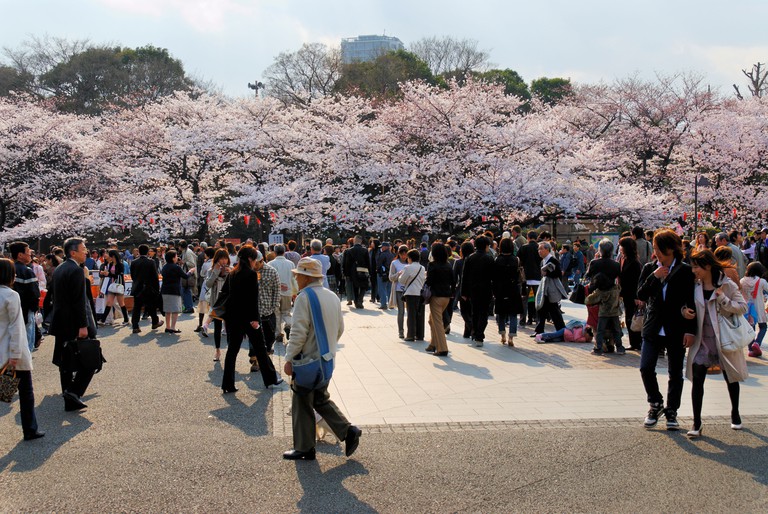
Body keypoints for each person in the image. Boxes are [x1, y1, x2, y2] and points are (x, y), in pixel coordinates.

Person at [282, 258, 361, 460]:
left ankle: (305, 447)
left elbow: (298, 332)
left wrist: (289, 358)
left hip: (307, 359)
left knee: (301, 400)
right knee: (319, 398)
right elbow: (340, 328)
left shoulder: (304, 297)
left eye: (298, 275)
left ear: (306, 277)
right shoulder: (332, 296)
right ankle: (348, 430)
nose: (296, 278)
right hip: (326, 360)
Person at [682, 250, 749, 437]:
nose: (693, 270)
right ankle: (696, 422)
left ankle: (735, 412)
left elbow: (742, 306)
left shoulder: (726, 285)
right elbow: (684, 305)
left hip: (724, 339)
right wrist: (684, 312)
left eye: (696, 266)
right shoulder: (694, 285)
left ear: (708, 266)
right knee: (697, 379)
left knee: (731, 377)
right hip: (702, 340)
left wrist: (722, 298)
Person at [637, 229, 697, 430]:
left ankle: (672, 410)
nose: (656, 254)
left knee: (675, 373)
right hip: (653, 326)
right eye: (654, 249)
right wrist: (654, 277)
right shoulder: (649, 268)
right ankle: (655, 403)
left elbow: (691, 303)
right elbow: (641, 295)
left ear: (670, 249)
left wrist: (691, 330)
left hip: (676, 327)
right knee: (646, 367)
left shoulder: (685, 271)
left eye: (658, 249)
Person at [220, 245, 282, 393]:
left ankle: (227, 384)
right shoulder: (251, 274)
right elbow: (253, 299)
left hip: (234, 318)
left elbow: (227, 295)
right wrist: (255, 319)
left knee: (232, 351)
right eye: (254, 259)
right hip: (249, 318)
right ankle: (270, 378)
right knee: (260, 349)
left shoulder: (233, 273)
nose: (255, 262)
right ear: (250, 259)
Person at [49, 237, 97, 412]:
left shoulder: (60, 268)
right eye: (83, 249)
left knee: (65, 361)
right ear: (73, 252)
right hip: (74, 323)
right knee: (91, 359)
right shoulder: (76, 270)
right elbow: (79, 301)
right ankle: (74, 392)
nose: (86, 251)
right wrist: (83, 326)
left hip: (61, 321)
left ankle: (69, 397)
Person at [0, 258, 43, 440]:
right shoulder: (11, 295)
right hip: (12, 353)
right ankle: (29, 429)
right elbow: (16, 327)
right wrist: (16, 354)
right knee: (26, 392)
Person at [461, 236, 495, 346]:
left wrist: (464, 292)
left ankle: (475, 333)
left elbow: (464, 277)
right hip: (486, 290)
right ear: (486, 246)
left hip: (473, 290)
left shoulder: (470, 258)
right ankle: (480, 335)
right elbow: (493, 277)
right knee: (483, 313)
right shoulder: (489, 258)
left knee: (474, 312)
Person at [9, 241, 40, 353]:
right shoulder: (27, 271)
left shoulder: (8, 269)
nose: (30, 255)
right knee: (26, 345)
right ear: (20, 255)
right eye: (28, 252)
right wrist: (34, 308)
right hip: (26, 311)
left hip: (11, 312)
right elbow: (34, 293)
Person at [492, 237, 523, 347]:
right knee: (513, 314)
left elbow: (494, 278)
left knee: (501, 313)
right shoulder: (516, 259)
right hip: (513, 289)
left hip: (500, 289)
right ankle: (511, 337)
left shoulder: (497, 260)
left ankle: (503, 336)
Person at [424, 242, 454, 356]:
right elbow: (452, 280)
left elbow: (429, 281)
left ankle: (442, 348)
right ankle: (433, 344)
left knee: (437, 322)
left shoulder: (432, 265)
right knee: (432, 320)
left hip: (436, 296)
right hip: (446, 296)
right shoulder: (448, 265)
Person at [533, 242, 567, 336]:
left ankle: (561, 330)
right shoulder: (543, 261)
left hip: (551, 288)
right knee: (542, 309)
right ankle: (539, 330)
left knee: (553, 309)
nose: (539, 251)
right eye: (538, 249)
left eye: (541, 249)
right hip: (544, 288)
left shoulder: (553, 260)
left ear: (547, 250)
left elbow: (558, 274)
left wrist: (547, 273)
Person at [585, 273, 624, 355]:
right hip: (615, 313)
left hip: (603, 313)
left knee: (600, 331)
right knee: (616, 330)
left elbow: (588, 300)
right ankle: (620, 348)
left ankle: (599, 349)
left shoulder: (600, 291)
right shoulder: (616, 288)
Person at [203, 249, 230, 361]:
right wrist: (216, 272)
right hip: (217, 302)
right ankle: (217, 350)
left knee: (229, 328)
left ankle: (230, 352)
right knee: (217, 328)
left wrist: (229, 273)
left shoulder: (231, 270)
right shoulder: (211, 270)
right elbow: (208, 284)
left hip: (229, 302)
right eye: (221, 258)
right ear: (217, 259)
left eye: (225, 258)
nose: (224, 261)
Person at [129, 244, 163, 334]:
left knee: (137, 307)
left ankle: (135, 326)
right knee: (151, 306)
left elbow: (132, 275)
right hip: (149, 287)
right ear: (148, 252)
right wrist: (156, 288)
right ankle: (155, 322)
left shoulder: (134, 262)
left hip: (137, 287)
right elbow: (155, 276)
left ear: (138, 252)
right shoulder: (151, 262)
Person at [268, 244, 297, 343]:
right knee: (286, 312)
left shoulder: (271, 264)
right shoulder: (291, 264)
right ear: (284, 252)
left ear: (274, 252)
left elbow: (270, 279)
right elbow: (294, 279)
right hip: (288, 291)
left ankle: (278, 334)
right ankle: (288, 325)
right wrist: (294, 292)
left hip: (275, 292)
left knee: (276, 313)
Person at [618, 237, 643, 351]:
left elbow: (637, 281)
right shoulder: (625, 259)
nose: (620, 248)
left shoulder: (634, 262)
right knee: (630, 317)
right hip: (627, 294)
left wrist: (637, 297)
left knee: (633, 318)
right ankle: (634, 342)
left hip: (632, 295)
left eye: (622, 246)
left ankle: (636, 342)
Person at [397, 249, 426, 342]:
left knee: (411, 314)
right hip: (420, 293)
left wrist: (400, 275)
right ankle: (420, 334)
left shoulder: (407, 268)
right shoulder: (422, 268)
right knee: (420, 315)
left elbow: (401, 280)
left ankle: (411, 335)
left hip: (411, 293)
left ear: (410, 258)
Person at [741, 262, 768, 357]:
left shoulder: (742, 281)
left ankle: (750, 349)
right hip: (758, 307)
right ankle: (757, 343)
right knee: (763, 326)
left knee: (750, 329)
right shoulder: (761, 281)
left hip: (746, 309)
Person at [160, 250, 189, 334]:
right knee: (175, 310)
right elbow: (185, 276)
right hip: (174, 290)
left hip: (165, 289)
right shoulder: (176, 267)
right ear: (173, 258)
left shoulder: (165, 266)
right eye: (176, 256)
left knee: (167, 310)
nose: (177, 258)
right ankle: (173, 327)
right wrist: (190, 271)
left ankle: (167, 327)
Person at [97, 249, 129, 325]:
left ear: (113, 256)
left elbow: (118, 274)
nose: (109, 257)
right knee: (109, 302)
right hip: (112, 285)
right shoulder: (111, 264)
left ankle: (126, 319)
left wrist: (108, 274)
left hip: (118, 285)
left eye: (110, 256)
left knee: (121, 303)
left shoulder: (120, 265)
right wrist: (106, 273)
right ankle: (103, 320)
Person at [517, 231, 541, 326]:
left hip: (525, 277)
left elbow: (518, 260)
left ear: (528, 237)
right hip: (537, 277)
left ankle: (523, 319)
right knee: (538, 299)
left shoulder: (524, 248)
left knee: (524, 299)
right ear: (536, 237)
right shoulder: (540, 248)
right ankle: (538, 319)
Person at [343, 235, 370, 309]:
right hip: (363, 270)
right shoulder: (365, 250)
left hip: (353, 271)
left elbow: (346, 263)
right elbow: (368, 262)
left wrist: (346, 273)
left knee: (355, 286)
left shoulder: (349, 250)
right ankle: (360, 300)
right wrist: (369, 271)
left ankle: (356, 301)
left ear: (354, 241)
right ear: (361, 241)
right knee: (363, 286)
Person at [389, 245, 409, 339]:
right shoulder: (394, 263)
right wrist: (398, 274)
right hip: (399, 289)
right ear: (399, 254)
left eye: (405, 254)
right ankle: (401, 331)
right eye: (402, 254)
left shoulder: (410, 263)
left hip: (409, 290)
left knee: (409, 312)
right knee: (401, 311)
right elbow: (391, 277)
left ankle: (410, 331)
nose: (404, 256)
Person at [375, 242, 395, 309]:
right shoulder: (392, 255)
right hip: (390, 273)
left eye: (382, 247)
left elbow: (378, 263)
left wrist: (377, 270)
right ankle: (390, 304)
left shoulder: (382, 254)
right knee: (389, 289)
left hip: (382, 274)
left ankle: (383, 304)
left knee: (382, 289)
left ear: (385, 247)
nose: (381, 248)